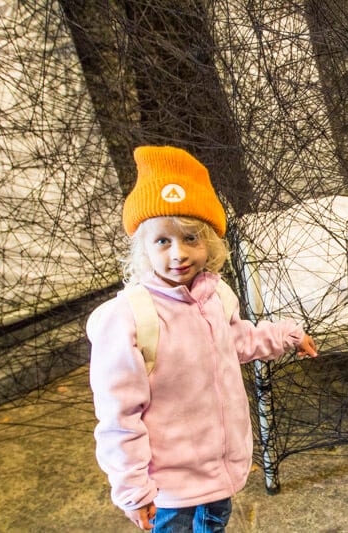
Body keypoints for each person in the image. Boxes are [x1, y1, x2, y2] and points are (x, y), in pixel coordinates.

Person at [86, 145, 317, 532]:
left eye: (191, 237)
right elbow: (118, 415)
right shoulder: (128, 318)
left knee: (214, 525)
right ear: (143, 246)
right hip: (168, 487)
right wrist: (133, 488)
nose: (179, 253)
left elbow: (238, 342)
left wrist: (286, 335)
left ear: (209, 241)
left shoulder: (218, 296)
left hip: (219, 470)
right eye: (163, 241)